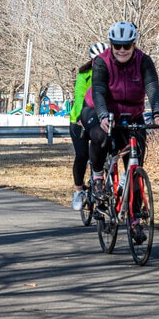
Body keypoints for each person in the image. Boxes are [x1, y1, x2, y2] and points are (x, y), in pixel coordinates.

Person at [81, 21, 159, 240]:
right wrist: (101, 116)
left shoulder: (144, 61)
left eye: (126, 46)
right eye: (117, 46)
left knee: (134, 167)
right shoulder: (102, 62)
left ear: (134, 45)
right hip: (98, 110)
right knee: (99, 136)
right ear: (111, 45)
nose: (121, 50)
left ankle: (135, 220)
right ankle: (98, 176)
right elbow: (98, 91)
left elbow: (153, 88)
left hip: (132, 116)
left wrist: (157, 115)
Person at [70, 41, 108, 211]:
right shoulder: (84, 74)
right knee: (82, 155)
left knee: (104, 152)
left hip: (101, 118)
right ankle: (78, 191)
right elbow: (79, 95)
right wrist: (79, 115)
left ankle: (103, 188)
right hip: (80, 119)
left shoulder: (111, 71)